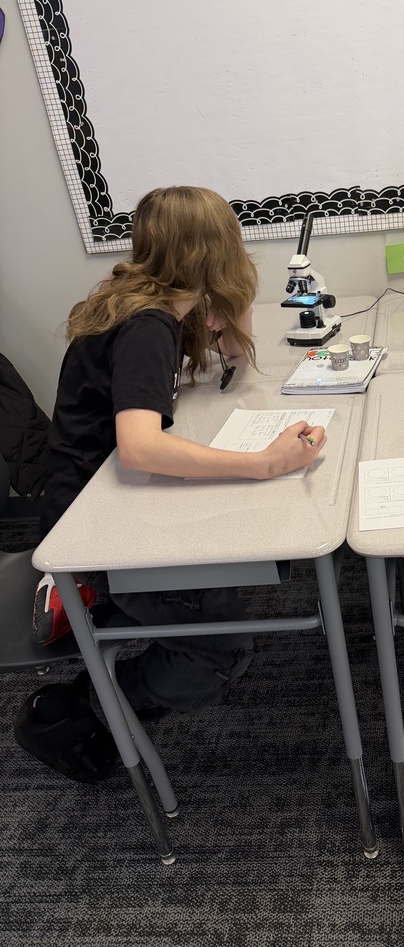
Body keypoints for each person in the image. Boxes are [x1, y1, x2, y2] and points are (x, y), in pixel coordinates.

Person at [15, 186, 327, 783]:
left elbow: (234, 358)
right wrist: (264, 462)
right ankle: (91, 710)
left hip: (99, 501)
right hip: (92, 528)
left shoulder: (146, 301)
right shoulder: (148, 325)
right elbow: (139, 447)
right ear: (218, 253)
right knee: (221, 649)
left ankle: (109, 685)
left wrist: (233, 304)